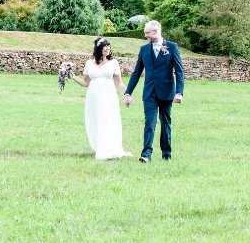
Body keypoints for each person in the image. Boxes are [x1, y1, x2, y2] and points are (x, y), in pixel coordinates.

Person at [124, 20, 185, 162]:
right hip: (149, 92)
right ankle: (146, 155)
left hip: (166, 92)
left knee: (165, 123)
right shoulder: (144, 49)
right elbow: (136, 72)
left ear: (156, 31)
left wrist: (179, 92)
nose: (145, 36)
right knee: (149, 123)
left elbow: (179, 71)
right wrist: (128, 92)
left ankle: (166, 154)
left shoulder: (172, 47)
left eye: (147, 33)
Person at [68, 37, 133, 160]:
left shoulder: (113, 63)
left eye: (108, 46)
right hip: (93, 98)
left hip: (109, 97)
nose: (108, 48)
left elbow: (119, 83)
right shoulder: (89, 63)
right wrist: (74, 77)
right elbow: (86, 82)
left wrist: (127, 94)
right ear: (98, 48)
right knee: (95, 121)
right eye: (105, 46)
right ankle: (100, 147)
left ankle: (106, 150)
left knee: (107, 121)